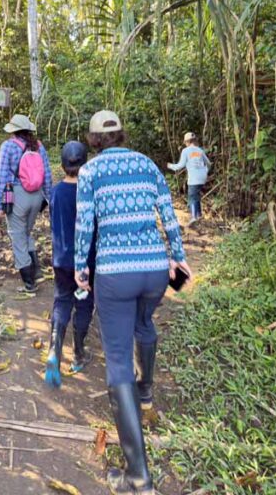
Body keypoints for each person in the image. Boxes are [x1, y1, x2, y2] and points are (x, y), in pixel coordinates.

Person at [75, 110, 192, 495]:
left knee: (118, 361)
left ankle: (138, 477)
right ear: (122, 134)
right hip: (155, 270)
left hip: (116, 273)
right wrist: (178, 255)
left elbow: (85, 225)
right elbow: (169, 215)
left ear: (93, 140)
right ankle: (146, 390)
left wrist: (81, 268)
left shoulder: (91, 173)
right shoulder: (146, 164)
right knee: (145, 324)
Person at [44, 140, 95, 388]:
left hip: (61, 259)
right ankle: (77, 354)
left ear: (62, 165)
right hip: (86, 262)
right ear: (86, 164)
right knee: (83, 304)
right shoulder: (91, 192)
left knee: (62, 300)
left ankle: (54, 350)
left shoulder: (55, 192)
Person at [0, 113, 53, 294]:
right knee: (26, 232)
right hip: (36, 196)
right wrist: (48, 198)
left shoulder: (8, 146)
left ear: (13, 130)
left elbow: (2, 177)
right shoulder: (38, 146)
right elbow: (47, 175)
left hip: (17, 195)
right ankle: (37, 272)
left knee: (17, 237)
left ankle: (29, 284)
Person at [168, 131, 211, 224]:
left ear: (186, 142)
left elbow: (180, 165)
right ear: (194, 141)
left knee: (191, 196)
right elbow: (209, 163)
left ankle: (194, 217)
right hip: (202, 177)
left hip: (194, 178)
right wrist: (205, 171)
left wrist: (170, 166)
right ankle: (199, 215)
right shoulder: (200, 150)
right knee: (196, 195)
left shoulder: (185, 151)